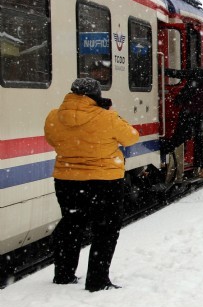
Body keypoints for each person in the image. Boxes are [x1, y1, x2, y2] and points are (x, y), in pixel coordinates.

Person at [44, 77, 139, 292]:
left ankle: (63, 274)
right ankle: (97, 281)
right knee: (105, 230)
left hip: (66, 180)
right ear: (96, 96)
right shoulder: (107, 118)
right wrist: (110, 112)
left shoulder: (53, 116)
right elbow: (131, 137)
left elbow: (52, 139)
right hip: (104, 181)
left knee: (71, 224)